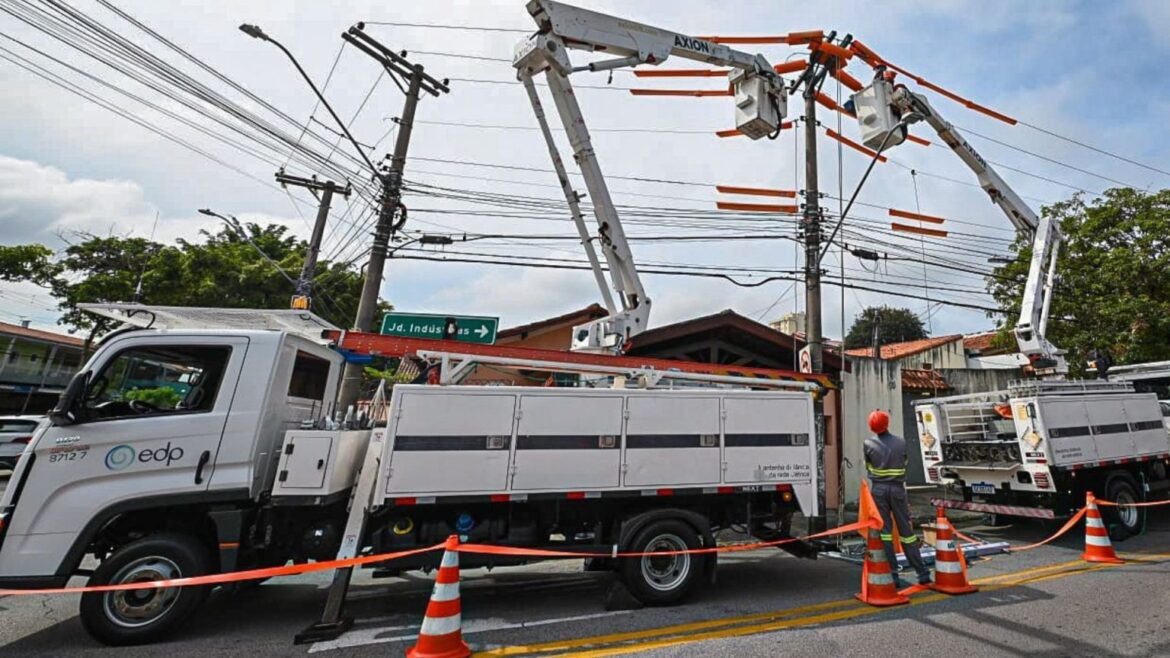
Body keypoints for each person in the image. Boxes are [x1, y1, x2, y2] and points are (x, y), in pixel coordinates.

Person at [864, 409, 932, 587]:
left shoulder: (868, 444)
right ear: (887, 423)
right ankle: (922, 573)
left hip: (879, 491)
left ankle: (893, 575)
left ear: (871, 426)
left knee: (885, 533)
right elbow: (905, 463)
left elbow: (869, 467)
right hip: (897, 490)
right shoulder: (901, 442)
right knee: (906, 533)